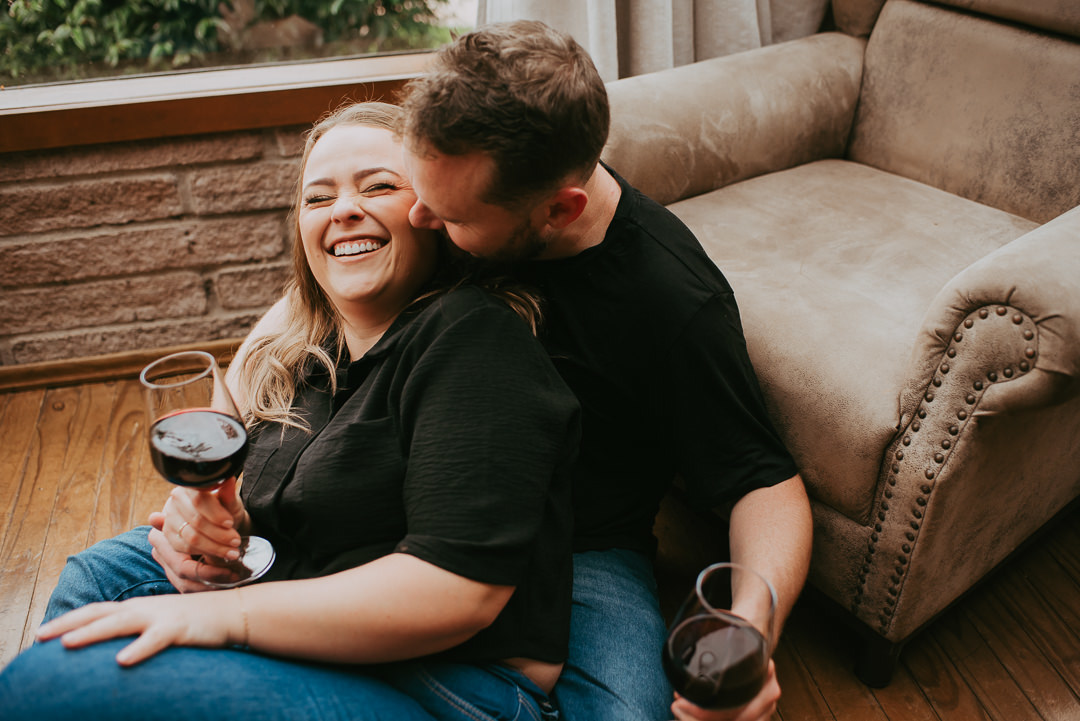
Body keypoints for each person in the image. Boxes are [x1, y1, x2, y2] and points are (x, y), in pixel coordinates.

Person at [207, 20, 814, 721]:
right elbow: (302, 301)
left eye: (446, 214)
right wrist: (220, 475)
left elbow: (762, 479)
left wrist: (749, 634)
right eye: (412, 184)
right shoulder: (450, 184)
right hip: (402, 489)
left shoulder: (672, 302)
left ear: (559, 210)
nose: (416, 213)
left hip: (579, 543)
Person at [0, 101, 582, 721]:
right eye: (317, 198)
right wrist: (215, 529)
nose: (343, 210)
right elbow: (302, 512)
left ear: (434, 213)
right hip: (310, 615)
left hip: (449, 683)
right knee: (96, 577)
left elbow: (454, 593)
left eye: (378, 186)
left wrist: (218, 617)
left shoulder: (475, 342)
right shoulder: (309, 354)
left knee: (48, 684)